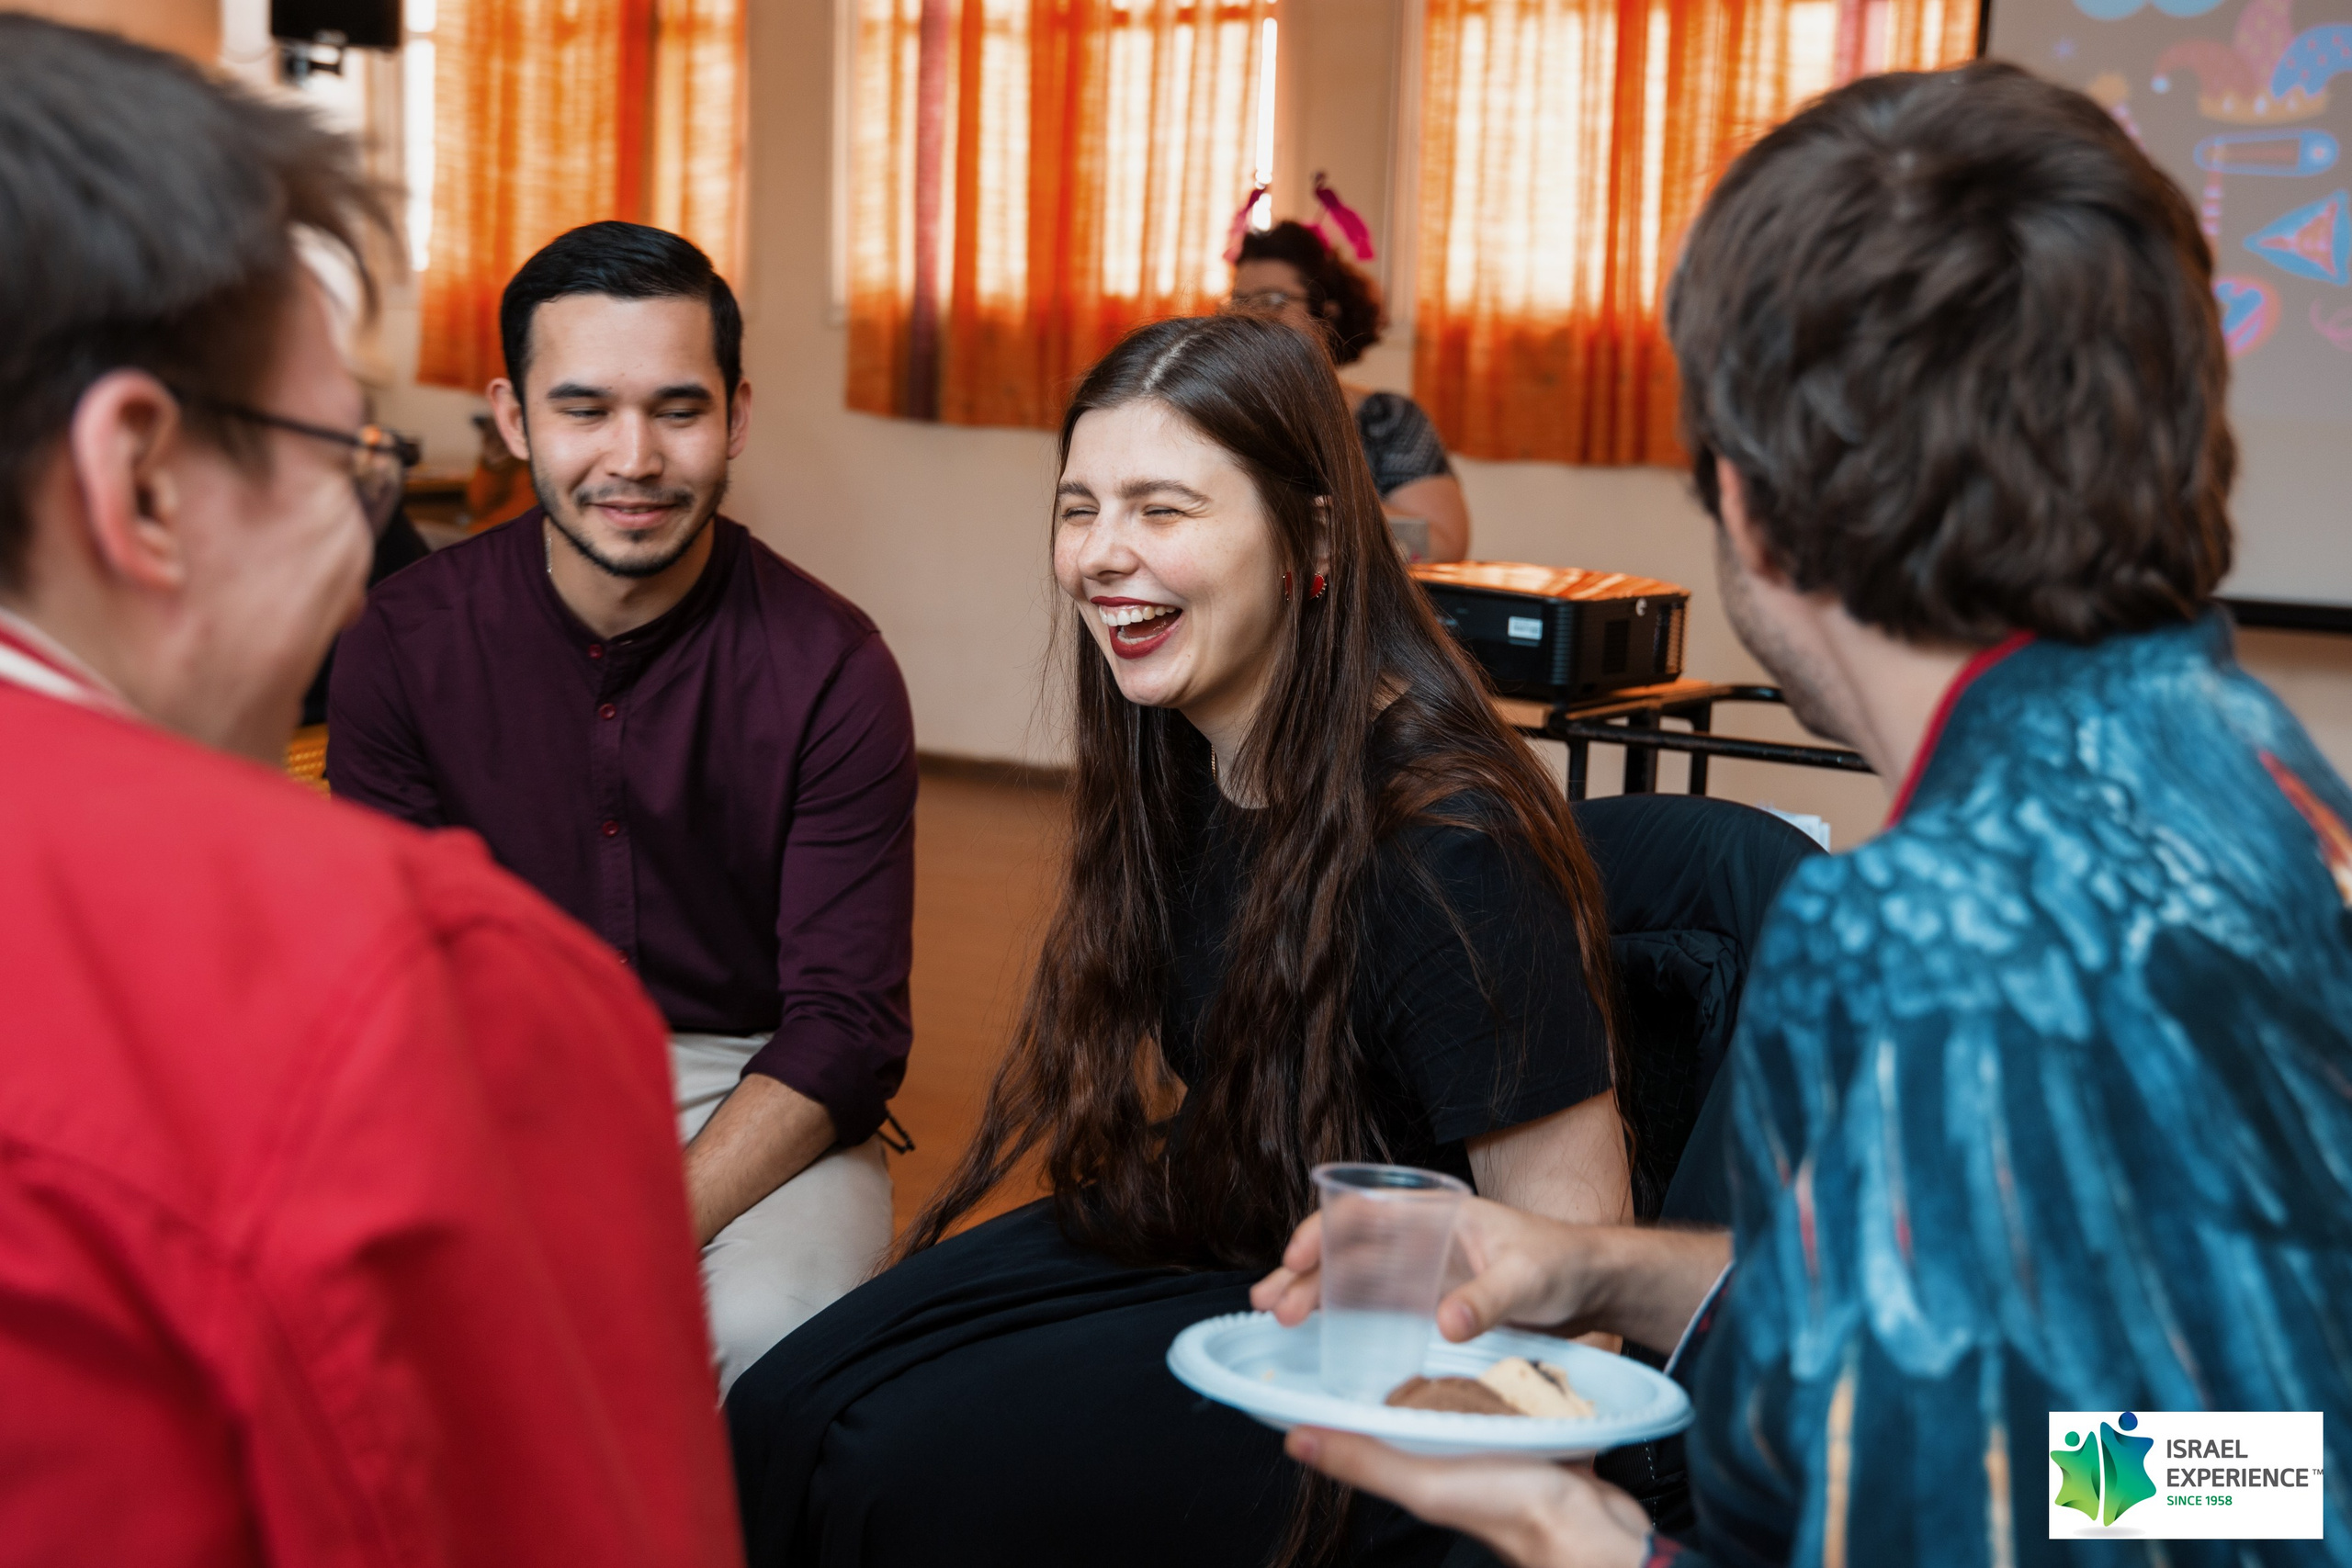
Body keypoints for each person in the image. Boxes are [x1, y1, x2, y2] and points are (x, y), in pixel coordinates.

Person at [1258, 62, 2352, 1567]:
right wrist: (1598, 1262)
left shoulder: (1912, 929)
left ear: (1754, 505)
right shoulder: (2258, 758)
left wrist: (1575, 1533)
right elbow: (2241, 1464)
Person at [0, 18, 741, 1566]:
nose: (361, 557)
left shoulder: (816, 657)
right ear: (139, 481)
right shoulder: (422, 991)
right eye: (348, 456)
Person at [728, 310, 1629, 1568]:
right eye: (1079, 506)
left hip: (1386, 1355)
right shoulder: (1187, 754)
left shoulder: (1450, 845)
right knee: (783, 1402)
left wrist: (1541, 1527)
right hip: (1224, 1232)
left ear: (1311, 537)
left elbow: (1586, 1285)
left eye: (1163, 509)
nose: (1102, 556)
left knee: (894, 1471)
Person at [327, 220, 916, 1393]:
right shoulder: (404, 639)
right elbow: (383, 978)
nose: (634, 458)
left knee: (779, 1332)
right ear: (514, 418)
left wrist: (639, 1219)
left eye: (678, 410)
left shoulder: (832, 664)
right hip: (487, 1075)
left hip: (753, 1082)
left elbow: (845, 1028)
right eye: (585, 408)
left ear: (737, 417)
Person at [1234, 219, 1473, 562]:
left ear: (1326, 315)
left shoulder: (1388, 421)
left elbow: (1445, 547)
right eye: (1239, 301)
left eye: (1274, 300)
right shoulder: (1213, 410)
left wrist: (1318, 497)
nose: (1251, 317)